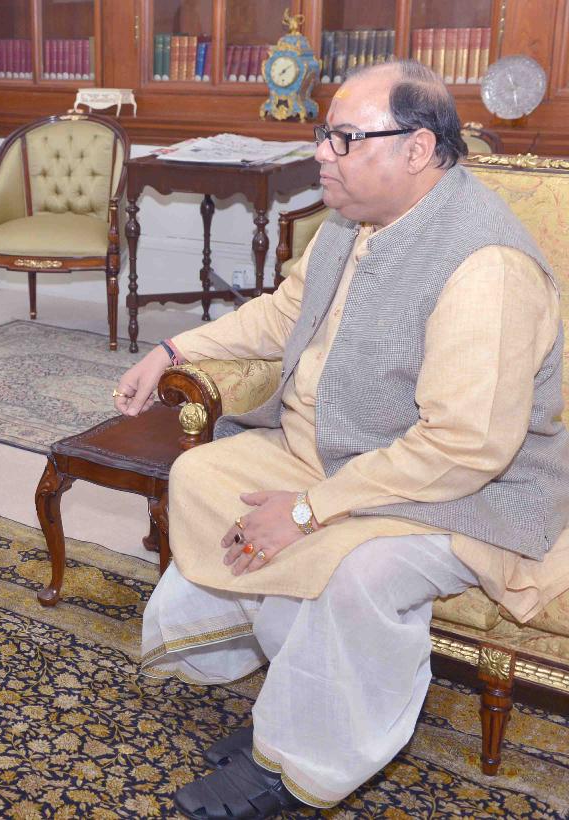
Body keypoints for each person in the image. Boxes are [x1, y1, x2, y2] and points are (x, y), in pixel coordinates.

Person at [114, 60, 569, 818]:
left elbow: (464, 448)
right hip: (337, 450)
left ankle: (297, 765)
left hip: (466, 493)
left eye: (345, 138)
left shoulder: (486, 266)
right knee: (202, 477)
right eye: (325, 133)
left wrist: (307, 510)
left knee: (358, 570)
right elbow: (283, 314)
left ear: (417, 149)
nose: (322, 152)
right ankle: (297, 698)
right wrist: (173, 350)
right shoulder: (350, 223)